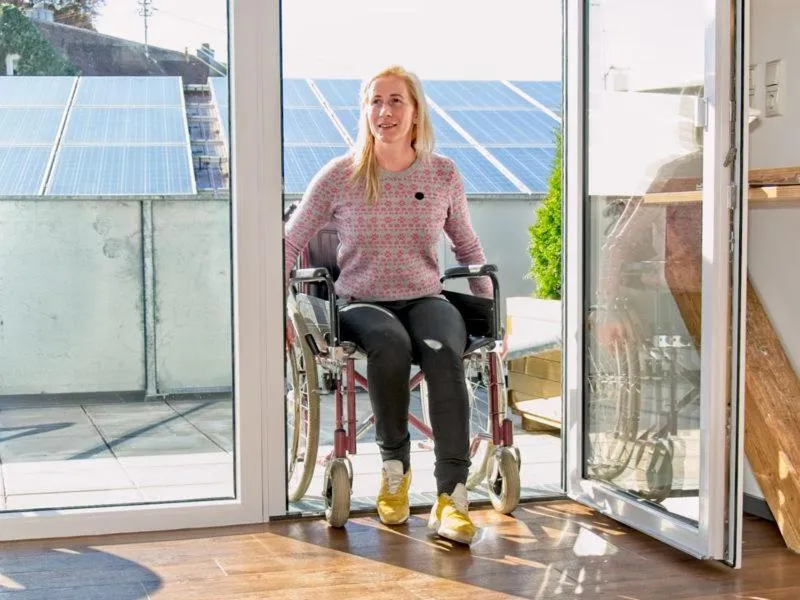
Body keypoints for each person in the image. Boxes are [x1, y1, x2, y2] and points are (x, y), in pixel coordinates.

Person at [284, 65, 492, 545]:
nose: (385, 111)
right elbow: (289, 241)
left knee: (443, 348)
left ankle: (452, 497)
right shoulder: (342, 175)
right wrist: (281, 311)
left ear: (416, 111)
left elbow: (467, 248)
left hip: (426, 297)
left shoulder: (442, 173)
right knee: (390, 344)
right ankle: (395, 470)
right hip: (362, 302)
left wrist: (493, 317)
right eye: (376, 101)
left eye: (396, 100)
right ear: (365, 112)